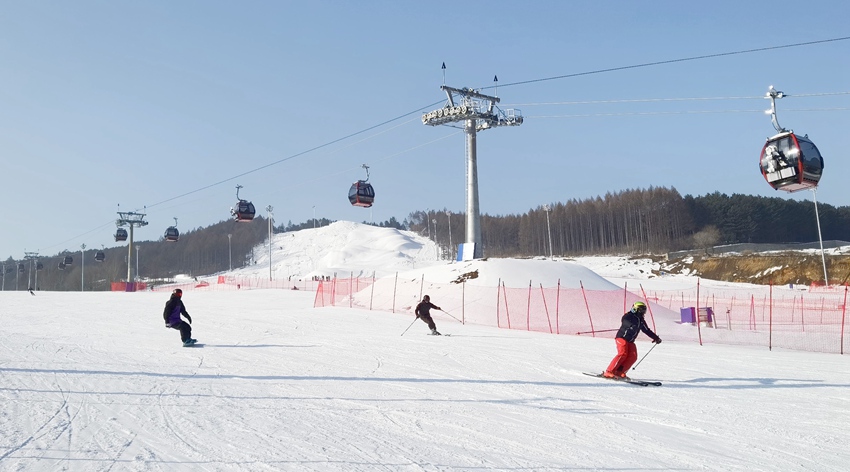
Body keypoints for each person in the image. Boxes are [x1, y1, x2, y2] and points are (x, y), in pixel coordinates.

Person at [603, 301, 661, 380]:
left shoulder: (641, 320)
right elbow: (624, 321)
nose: (643, 312)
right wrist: (630, 325)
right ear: (635, 309)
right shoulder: (629, 315)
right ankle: (609, 371)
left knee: (633, 356)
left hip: (630, 341)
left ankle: (619, 372)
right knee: (622, 354)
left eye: (644, 310)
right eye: (641, 309)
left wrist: (656, 338)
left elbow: (646, 330)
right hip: (622, 338)